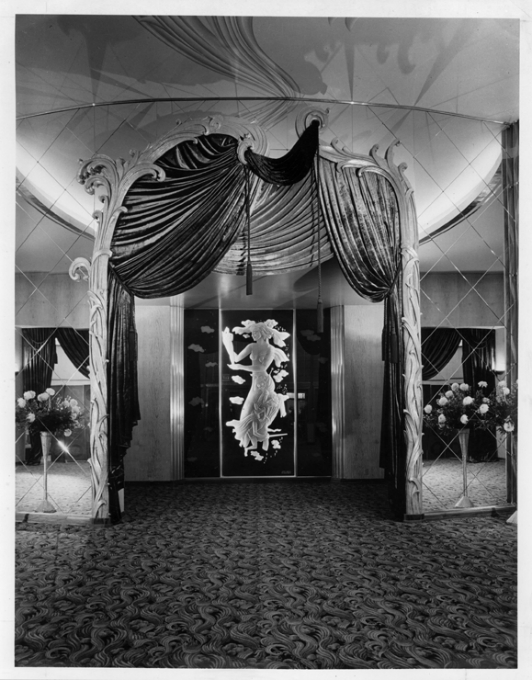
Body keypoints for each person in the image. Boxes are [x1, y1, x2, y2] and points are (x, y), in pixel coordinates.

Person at [222, 319, 289, 460]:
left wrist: (240, 368)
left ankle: (260, 441)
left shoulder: (270, 349)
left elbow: (262, 368)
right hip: (255, 381)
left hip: (264, 381)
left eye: (255, 332)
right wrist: (228, 343)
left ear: (262, 333)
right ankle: (250, 441)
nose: (253, 335)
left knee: (254, 409)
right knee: (248, 410)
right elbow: (236, 358)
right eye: (252, 332)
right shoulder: (251, 346)